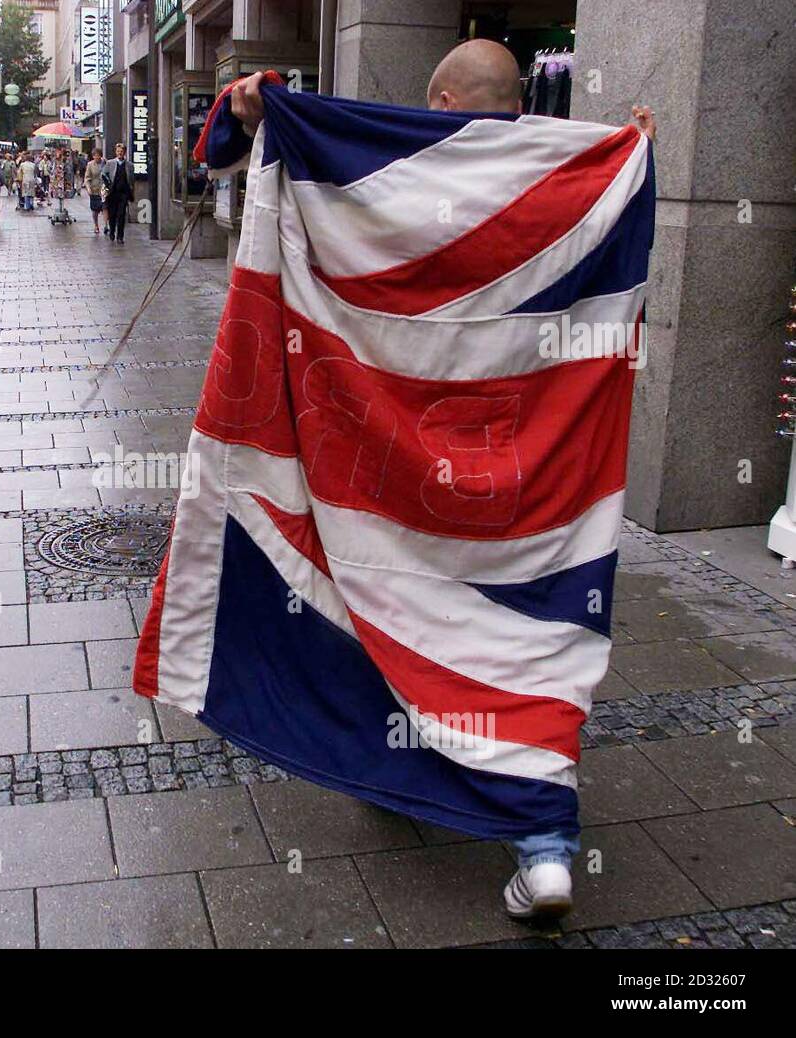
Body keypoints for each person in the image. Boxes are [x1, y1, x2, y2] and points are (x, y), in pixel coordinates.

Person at [224, 39, 657, 921]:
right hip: (531, 480)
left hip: (392, 470)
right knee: (531, 636)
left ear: (444, 97)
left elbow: (268, 157)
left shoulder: (400, 176)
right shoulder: (558, 172)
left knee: (390, 602)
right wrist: (630, 160)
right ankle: (544, 852)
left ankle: (395, 767)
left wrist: (267, 113)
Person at [102, 142, 131, 243]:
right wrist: (108, 185)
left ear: (125, 152)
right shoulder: (110, 163)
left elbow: (131, 179)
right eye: (118, 151)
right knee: (112, 214)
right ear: (116, 152)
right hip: (112, 193)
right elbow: (104, 174)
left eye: (122, 151)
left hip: (123, 193)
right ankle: (112, 231)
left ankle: (120, 236)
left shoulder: (129, 165)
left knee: (121, 215)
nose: (120, 153)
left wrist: (130, 192)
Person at [84, 148, 104, 235]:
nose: (97, 157)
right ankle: (96, 225)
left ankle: (107, 225)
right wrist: (88, 188)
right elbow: (87, 178)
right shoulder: (90, 165)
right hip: (94, 189)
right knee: (95, 210)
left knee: (105, 208)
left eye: (98, 155)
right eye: (95, 155)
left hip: (104, 190)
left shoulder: (105, 163)